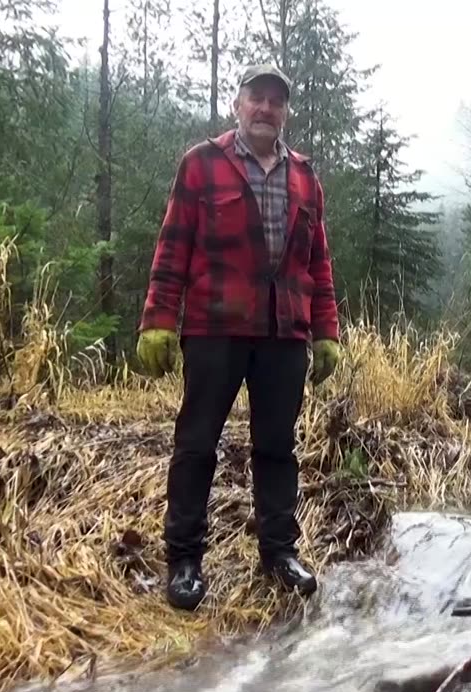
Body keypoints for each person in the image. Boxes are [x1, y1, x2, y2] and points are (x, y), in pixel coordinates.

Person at [135, 64, 343, 611]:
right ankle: (184, 560)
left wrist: (326, 332)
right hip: (214, 328)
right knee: (197, 442)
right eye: (257, 97)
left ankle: (279, 553)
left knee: (277, 447)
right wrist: (158, 319)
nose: (266, 108)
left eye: (276, 101)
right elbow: (173, 246)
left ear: (285, 112)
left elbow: (316, 264)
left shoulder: (305, 177)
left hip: (282, 333)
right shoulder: (202, 165)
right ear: (238, 103)